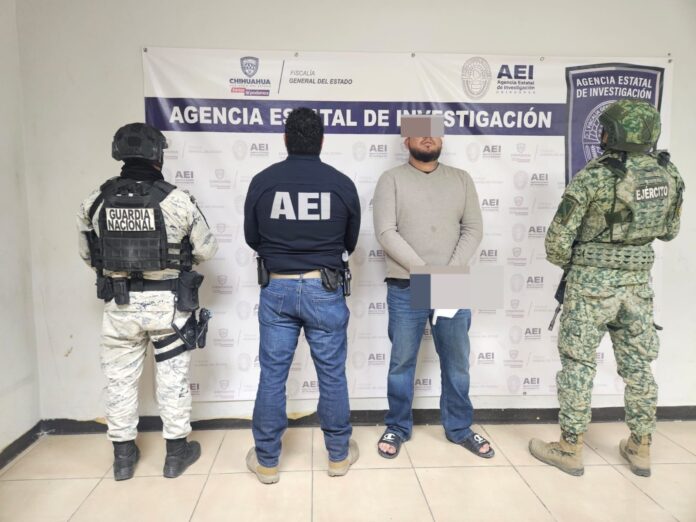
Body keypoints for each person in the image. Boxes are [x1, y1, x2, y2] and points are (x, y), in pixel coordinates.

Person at [529, 99, 685, 477]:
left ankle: (570, 448)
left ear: (612, 133)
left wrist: (585, 262)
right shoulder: (668, 173)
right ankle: (641, 447)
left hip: (590, 288)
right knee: (639, 367)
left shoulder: (594, 176)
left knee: (578, 365)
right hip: (638, 287)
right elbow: (669, 231)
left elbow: (556, 244)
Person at [77, 123, 218, 480]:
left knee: (119, 381)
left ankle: (123, 458)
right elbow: (206, 250)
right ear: (157, 155)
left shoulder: (95, 201)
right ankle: (175, 455)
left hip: (119, 305)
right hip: (168, 305)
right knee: (172, 379)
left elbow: (88, 255)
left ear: (119, 153)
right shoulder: (177, 201)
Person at [243, 107, 361, 484]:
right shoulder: (341, 184)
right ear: (322, 140)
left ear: (285, 139)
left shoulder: (263, 181)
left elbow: (251, 238)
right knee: (332, 375)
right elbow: (350, 242)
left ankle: (267, 462)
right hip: (324, 288)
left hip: (276, 287)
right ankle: (338, 457)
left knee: (272, 376)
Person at [373, 115, 492, 459]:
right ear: (406, 140)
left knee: (456, 363)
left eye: (434, 132)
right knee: (402, 363)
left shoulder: (461, 179)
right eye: (419, 132)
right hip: (406, 285)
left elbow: (473, 229)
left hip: (451, 283)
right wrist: (427, 275)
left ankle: (459, 428)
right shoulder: (391, 179)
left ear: (441, 139)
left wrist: (447, 275)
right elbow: (386, 232)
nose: (428, 138)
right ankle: (397, 427)